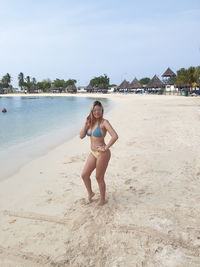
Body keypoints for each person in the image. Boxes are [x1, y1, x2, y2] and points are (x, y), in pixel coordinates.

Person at [80, 100, 118, 206]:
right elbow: (81, 136)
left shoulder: (104, 122)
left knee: (99, 177)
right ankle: (91, 193)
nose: (97, 112)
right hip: (93, 153)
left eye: (99, 110)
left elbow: (115, 136)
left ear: (102, 111)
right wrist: (86, 123)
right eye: (95, 110)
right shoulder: (90, 122)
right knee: (84, 175)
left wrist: (106, 147)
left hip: (103, 154)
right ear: (92, 111)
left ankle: (102, 200)